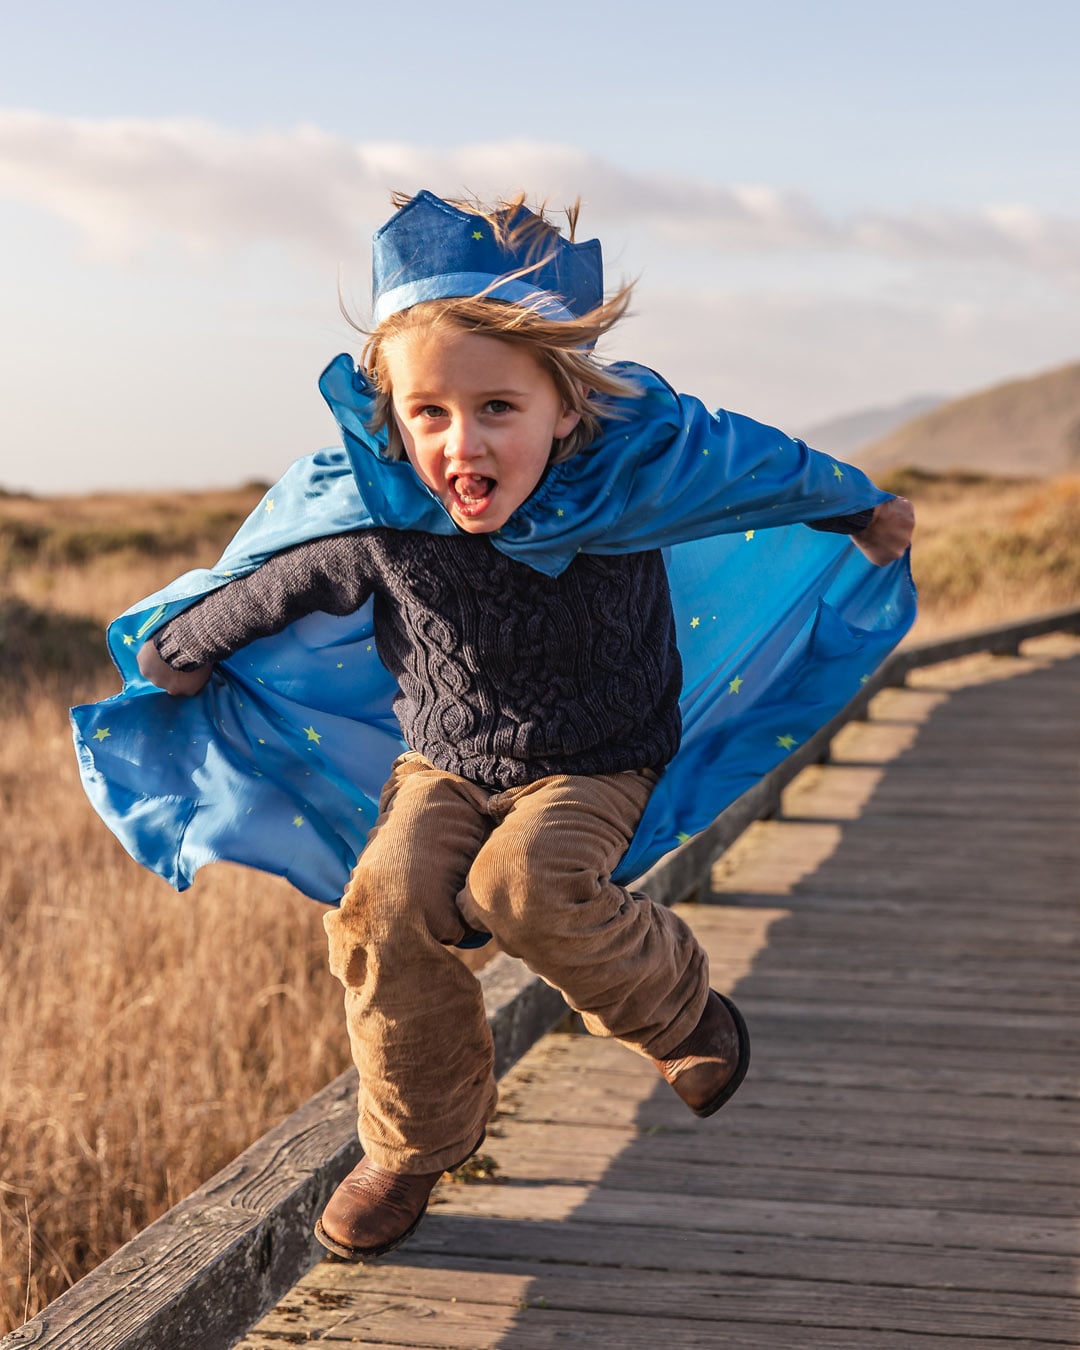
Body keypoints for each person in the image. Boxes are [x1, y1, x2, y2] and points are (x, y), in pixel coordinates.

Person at [83, 190, 914, 1263]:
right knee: (383, 905)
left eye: (496, 409)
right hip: (446, 763)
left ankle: (679, 1013)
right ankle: (413, 1143)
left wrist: (855, 508)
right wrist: (182, 649)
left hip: (599, 759)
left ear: (566, 409)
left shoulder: (629, 491)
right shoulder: (384, 520)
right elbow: (284, 579)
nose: (459, 441)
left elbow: (751, 468)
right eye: (429, 413)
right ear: (393, 416)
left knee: (516, 886)